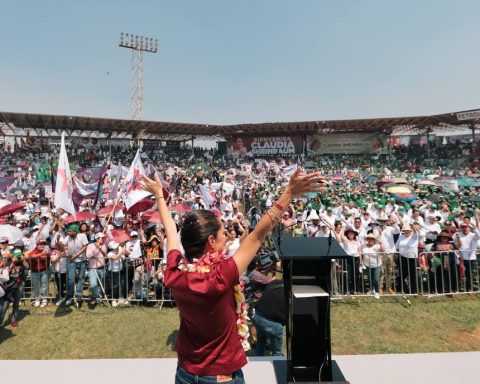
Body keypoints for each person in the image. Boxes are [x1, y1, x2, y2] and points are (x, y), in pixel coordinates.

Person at [140, 168, 321, 384]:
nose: (227, 235)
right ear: (211, 243)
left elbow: (170, 231)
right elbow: (259, 234)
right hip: (221, 375)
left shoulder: (175, 272)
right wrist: (289, 192)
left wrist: (159, 196)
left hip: (186, 371)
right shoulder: (221, 276)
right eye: (223, 232)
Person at [252, 279, 285, 356]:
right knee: (277, 352)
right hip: (273, 323)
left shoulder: (274, 282)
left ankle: (258, 361)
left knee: (261, 342)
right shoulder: (290, 291)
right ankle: (277, 366)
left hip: (258, 316)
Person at [61, 224, 89, 306]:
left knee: (81, 277)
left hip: (81, 260)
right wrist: (66, 251)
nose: (69, 232)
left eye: (70, 231)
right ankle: (70, 297)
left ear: (75, 231)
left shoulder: (82, 236)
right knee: (70, 279)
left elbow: (85, 246)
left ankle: (79, 295)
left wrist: (76, 255)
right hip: (71, 261)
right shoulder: (68, 237)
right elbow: (64, 245)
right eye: (68, 231)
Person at [24, 239, 51, 307]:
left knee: (45, 286)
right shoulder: (34, 251)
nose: (42, 245)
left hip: (44, 271)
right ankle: (37, 300)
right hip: (34, 272)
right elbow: (31, 256)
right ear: (37, 245)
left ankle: (45, 299)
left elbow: (48, 254)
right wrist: (41, 254)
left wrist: (46, 254)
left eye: (43, 244)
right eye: (40, 244)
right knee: (36, 287)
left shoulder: (46, 250)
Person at [86, 232, 107, 305]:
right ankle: (94, 297)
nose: (103, 239)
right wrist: (95, 248)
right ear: (97, 239)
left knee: (100, 284)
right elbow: (88, 255)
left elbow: (105, 254)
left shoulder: (104, 245)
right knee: (93, 284)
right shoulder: (90, 245)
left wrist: (99, 247)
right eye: (101, 238)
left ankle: (99, 298)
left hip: (101, 267)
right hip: (92, 268)